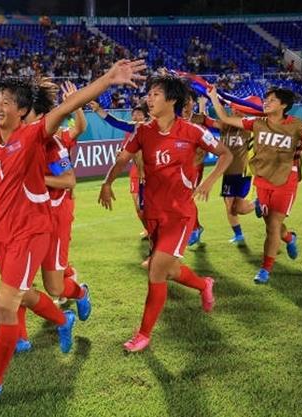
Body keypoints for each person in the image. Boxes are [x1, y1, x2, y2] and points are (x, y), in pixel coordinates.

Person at [0, 59, 146, 402]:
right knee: (22, 294)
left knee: (5, 304)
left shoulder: (32, 136)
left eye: (7, 102)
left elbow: (69, 106)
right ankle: (62, 320)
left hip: (33, 232)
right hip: (5, 232)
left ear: (23, 110)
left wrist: (109, 78)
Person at [99, 74, 233, 352]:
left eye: (156, 94)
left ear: (172, 100)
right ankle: (204, 284)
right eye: (149, 93)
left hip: (180, 215)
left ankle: (143, 334)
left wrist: (208, 181)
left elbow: (225, 154)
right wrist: (107, 182)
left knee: (156, 272)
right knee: (170, 270)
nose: (149, 98)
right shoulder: (142, 132)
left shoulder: (192, 131)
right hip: (154, 213)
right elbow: (123, 159)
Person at [207, 86, 302, 284]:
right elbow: (227, 119)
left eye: (271, 100)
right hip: (262, 181)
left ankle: (265, 269)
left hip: (285, 181)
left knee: (272, 226)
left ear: (284, 105)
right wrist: (213, 96)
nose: (266, 102)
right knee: (272, 224)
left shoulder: (297, 125)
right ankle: (289, 238)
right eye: (266, 99)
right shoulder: (256, 122)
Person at [15, 80, 91, 353]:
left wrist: (34, 178)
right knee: (17, 281)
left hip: (54, 219)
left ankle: (79, 292)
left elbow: (69, 181)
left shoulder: (55, 144)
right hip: (25, 221)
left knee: (54, 287)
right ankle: (20, 337)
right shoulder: (18, 141)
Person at [196, 96, 255, 245]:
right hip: (227, 171)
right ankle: (239, 235)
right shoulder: (225, 125)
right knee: (229, 206)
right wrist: (202, 104)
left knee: (239, 208)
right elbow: (204, 121)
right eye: (234, 107)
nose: (235, 110)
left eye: (240, 108)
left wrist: (214, 100)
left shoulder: (249, 126)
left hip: (242, 171)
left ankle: (258, 203)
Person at [89, 101, 148, 237]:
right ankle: (149, 231)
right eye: (134, 115)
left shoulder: (151, 129)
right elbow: (115, 122)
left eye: (140, 115)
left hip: (150, 174)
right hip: (136, 172)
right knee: (139, 208)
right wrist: (98, 110)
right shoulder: (132, 130)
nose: (136, 118)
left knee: (151, 209)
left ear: (146, 116)